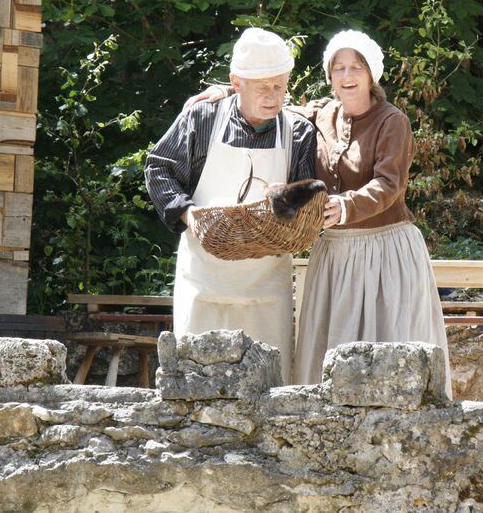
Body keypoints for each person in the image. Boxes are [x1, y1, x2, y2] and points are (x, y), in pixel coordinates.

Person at [188, 30, 451, 395]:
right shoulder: (320, 115)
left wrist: (345, 206)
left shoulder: (393, 122)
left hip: (383, 251)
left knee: (387, 346)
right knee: (330, 347)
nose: (347, 76)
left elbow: (389, 185)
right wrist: (227, 92)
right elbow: (268, 100)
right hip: (334, 254)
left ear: (372, 73)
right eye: (338, 68)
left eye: (356, 67)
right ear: (329, 76)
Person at [144, 28, 317, 382]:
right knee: (195, 383)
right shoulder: (202, 119)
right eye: (262, 87)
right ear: (236, 82)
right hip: (205, 278)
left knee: (271, 386)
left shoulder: (298, 131)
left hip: (267, 286)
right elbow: (159, 167)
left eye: (280, 86)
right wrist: (189, 215)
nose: (273, 97)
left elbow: (307, 201)